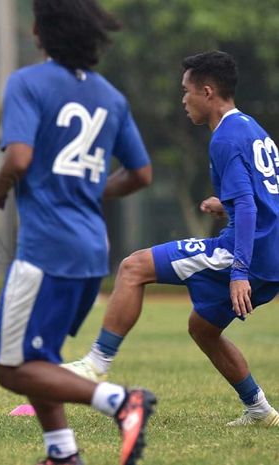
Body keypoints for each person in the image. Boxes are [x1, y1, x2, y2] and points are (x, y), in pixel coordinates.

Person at [64, 50, 279, 428]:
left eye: (187, 91)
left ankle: (95, 365)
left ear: (208, 92)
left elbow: (248, 207)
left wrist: (240, 270)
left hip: (248, 253)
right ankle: (259, 409)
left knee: (133, 267)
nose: (183, 100)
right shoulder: (252, 129)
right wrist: (224, 204)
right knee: (202, 328)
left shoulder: (225, 138)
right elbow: (264, 198)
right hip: (270, 252)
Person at [0, 1, 156, 464]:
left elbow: (18, 159)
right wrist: (92, 191)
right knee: (41, 358)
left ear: (39, 32)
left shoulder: (27, 83)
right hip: (91, 248)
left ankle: (120, 402)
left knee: (9, 367)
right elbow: (141, 174)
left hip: (46, 249)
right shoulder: (111, 98)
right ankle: (61, 452)